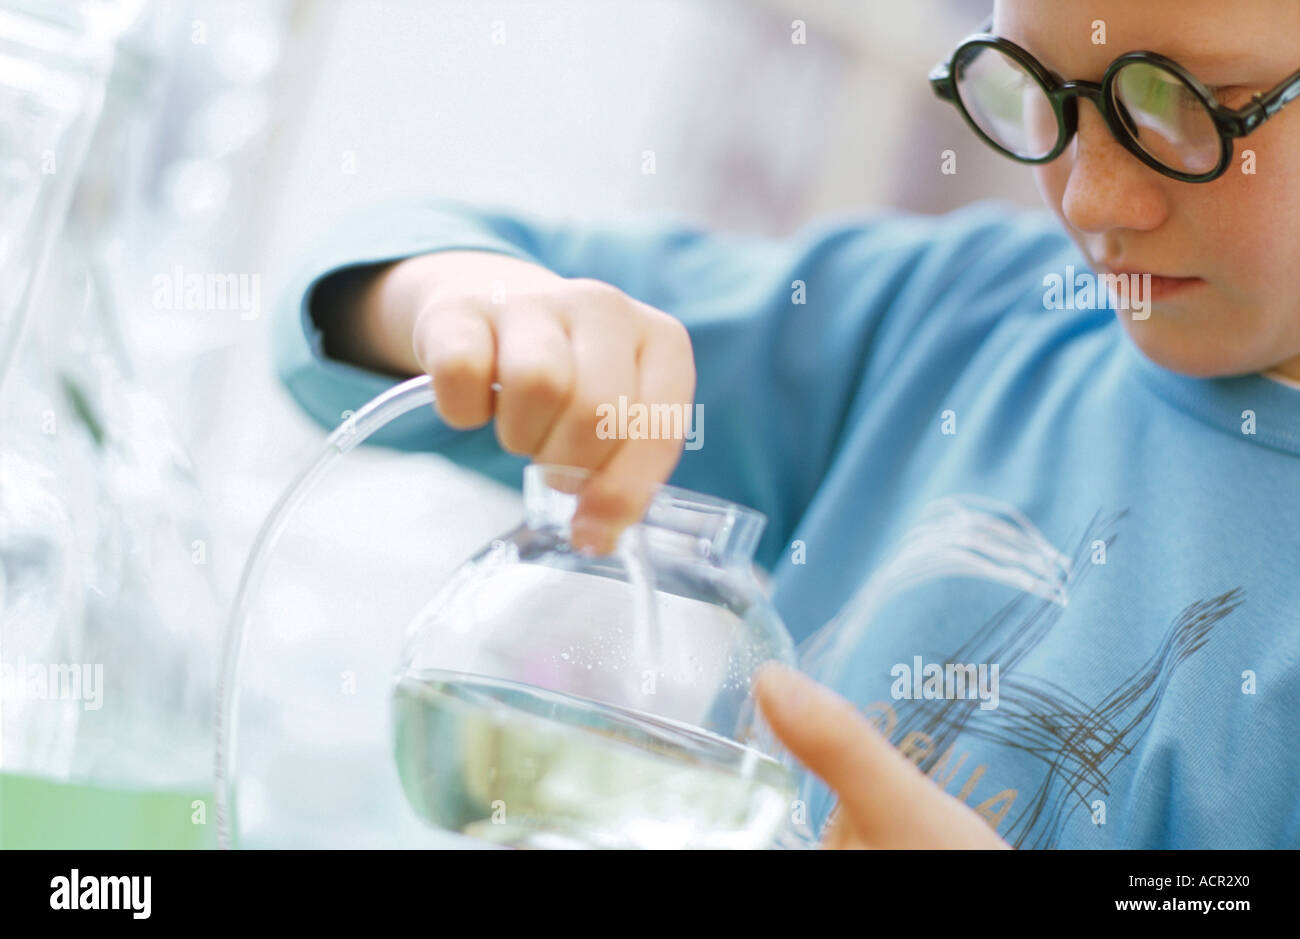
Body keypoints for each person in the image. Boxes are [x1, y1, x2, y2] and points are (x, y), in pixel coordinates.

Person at [274, 0, 1300, 848]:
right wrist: (478, 305)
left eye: (1184, 108)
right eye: (1036, 93)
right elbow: (335, 315)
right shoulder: (950, 324)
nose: (1092, 199)